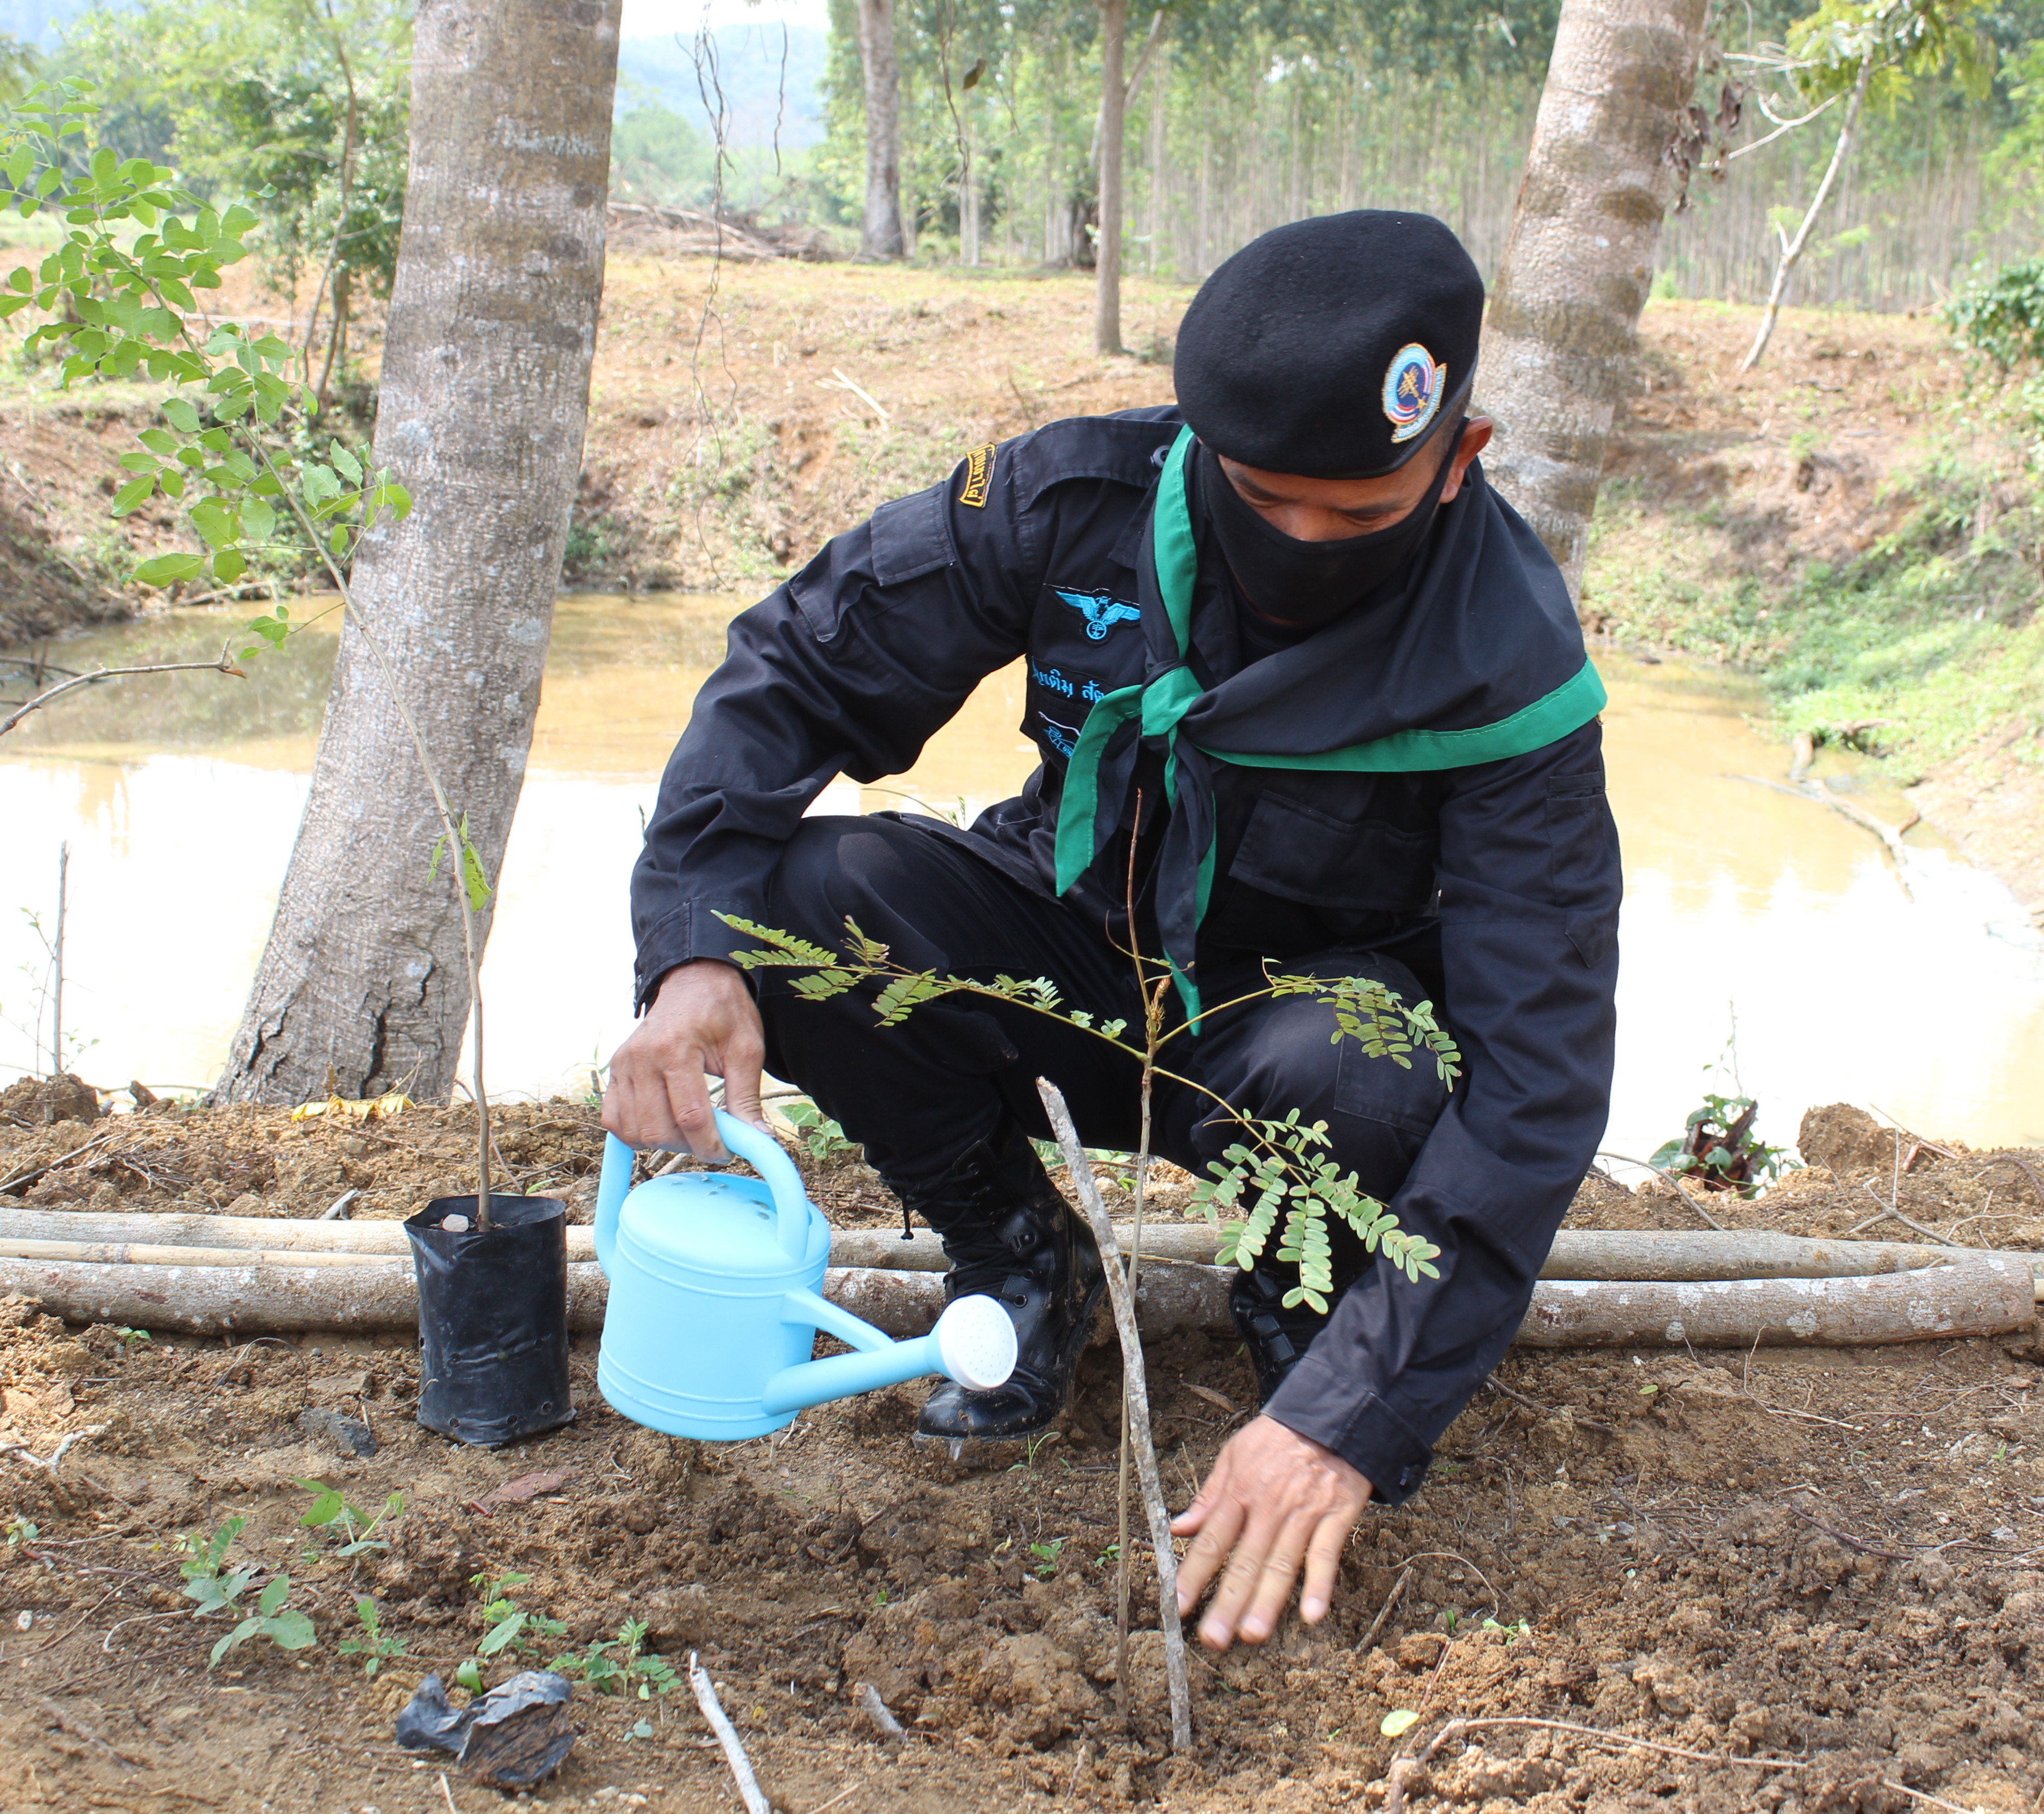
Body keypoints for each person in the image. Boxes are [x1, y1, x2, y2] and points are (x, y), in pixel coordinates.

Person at [605, 209, 1620, 1651]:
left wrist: (1358, 1414)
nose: (1299, 546)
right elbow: (800, 669)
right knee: (792, 904)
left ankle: (1310, 1307)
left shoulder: (1504, 660)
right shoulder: (1069, 499)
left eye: (1356, 517)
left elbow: (1538, 1079)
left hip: (1289, 1027)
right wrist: (690, 956)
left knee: (1369, 1065)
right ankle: (1020, 1251)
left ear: (1458, 456)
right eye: (1262, 498)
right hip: (1064, 942)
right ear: (1201, 440)